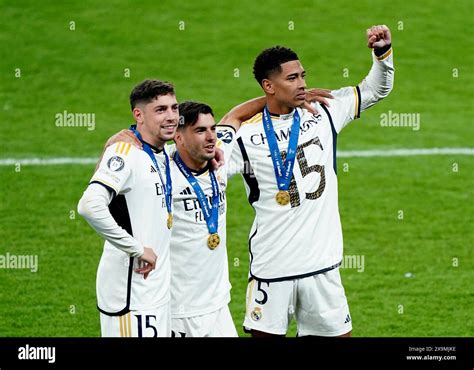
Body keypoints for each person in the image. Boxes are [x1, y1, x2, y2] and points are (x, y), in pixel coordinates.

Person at [229, 25, 394, 337]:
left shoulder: (324, 110)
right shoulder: (245, 135)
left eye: (303, 75)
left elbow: (376, 90)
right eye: (292, 79)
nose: (303, 83)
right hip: (271, 269)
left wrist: (381, 54)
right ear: (268, 85)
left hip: (322, 267)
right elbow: (207, 157)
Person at [77, 79, 178, 337]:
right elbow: (89, 205)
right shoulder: (125, 151)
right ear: (138, 115)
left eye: (174, 108)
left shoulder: (161, 152)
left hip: (155, 291)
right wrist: (135, 248)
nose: (171, 117)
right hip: (130, 294)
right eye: (160, 110)